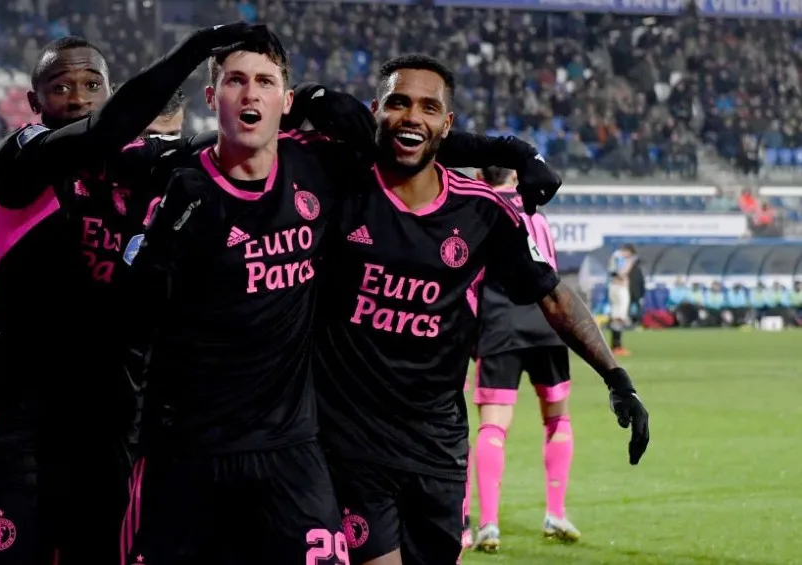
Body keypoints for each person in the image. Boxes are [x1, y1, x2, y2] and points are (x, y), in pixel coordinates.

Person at [122, 31, 563, 563]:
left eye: (265, 82)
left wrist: (510, 150)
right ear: (213, 99)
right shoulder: (184, 184)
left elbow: (408, 135)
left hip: (294, 448)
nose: (250, 94)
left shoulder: (316, 165)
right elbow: (132, 308)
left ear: (285, 101)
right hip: (190, 447)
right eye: (235, 81)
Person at [312, 55, 650, 565]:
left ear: (447, 125)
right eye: (399, 102)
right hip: (352, 446)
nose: (412, 116)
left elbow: (553, 296)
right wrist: (514, 149)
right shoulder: (339, 184)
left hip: (437, 449)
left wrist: (617, 377)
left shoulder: (482, 211)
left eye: (430, 107)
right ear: (376, 111)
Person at [0, 24, 266, 565]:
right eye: (61, 87)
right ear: (35, 101)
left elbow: (209, 149)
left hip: (107, 417)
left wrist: (295, 108)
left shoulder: (136, 169)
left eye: (92, 85)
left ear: (110, 91)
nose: (78, 97)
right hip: (23, 413)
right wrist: (198, 48)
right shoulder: (22, 160)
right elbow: (104, 134)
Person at [467, 167, 577, 552]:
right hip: (547, 323)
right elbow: (551, 270)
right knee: (557, 417)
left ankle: (489, 525)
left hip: (500, 323)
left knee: (494, 427)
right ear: (515, 176)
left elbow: (472, 276)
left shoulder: (478, 209)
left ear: (481, 175)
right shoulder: (537, 214)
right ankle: (556, 513)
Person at [607, 244, 635, 355]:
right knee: (620, 316)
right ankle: (617, 346)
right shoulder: (622, 258)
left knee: (615, 315)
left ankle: (614, 345)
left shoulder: (614, 257)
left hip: (613, 287)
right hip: (620, 288)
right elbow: (621, 273)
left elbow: (611, 271)